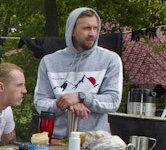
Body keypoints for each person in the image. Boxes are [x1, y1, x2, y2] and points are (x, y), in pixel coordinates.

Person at [33, 7, 123, 139]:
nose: (92, 33)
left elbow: (113, 102)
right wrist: (65, 104)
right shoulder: (49, 62)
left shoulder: (110, 59)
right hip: (57, 140)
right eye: (86, 28)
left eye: (95, 28)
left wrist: (82, 97)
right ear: (73, 31)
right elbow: (40, 103)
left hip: (96, 140)